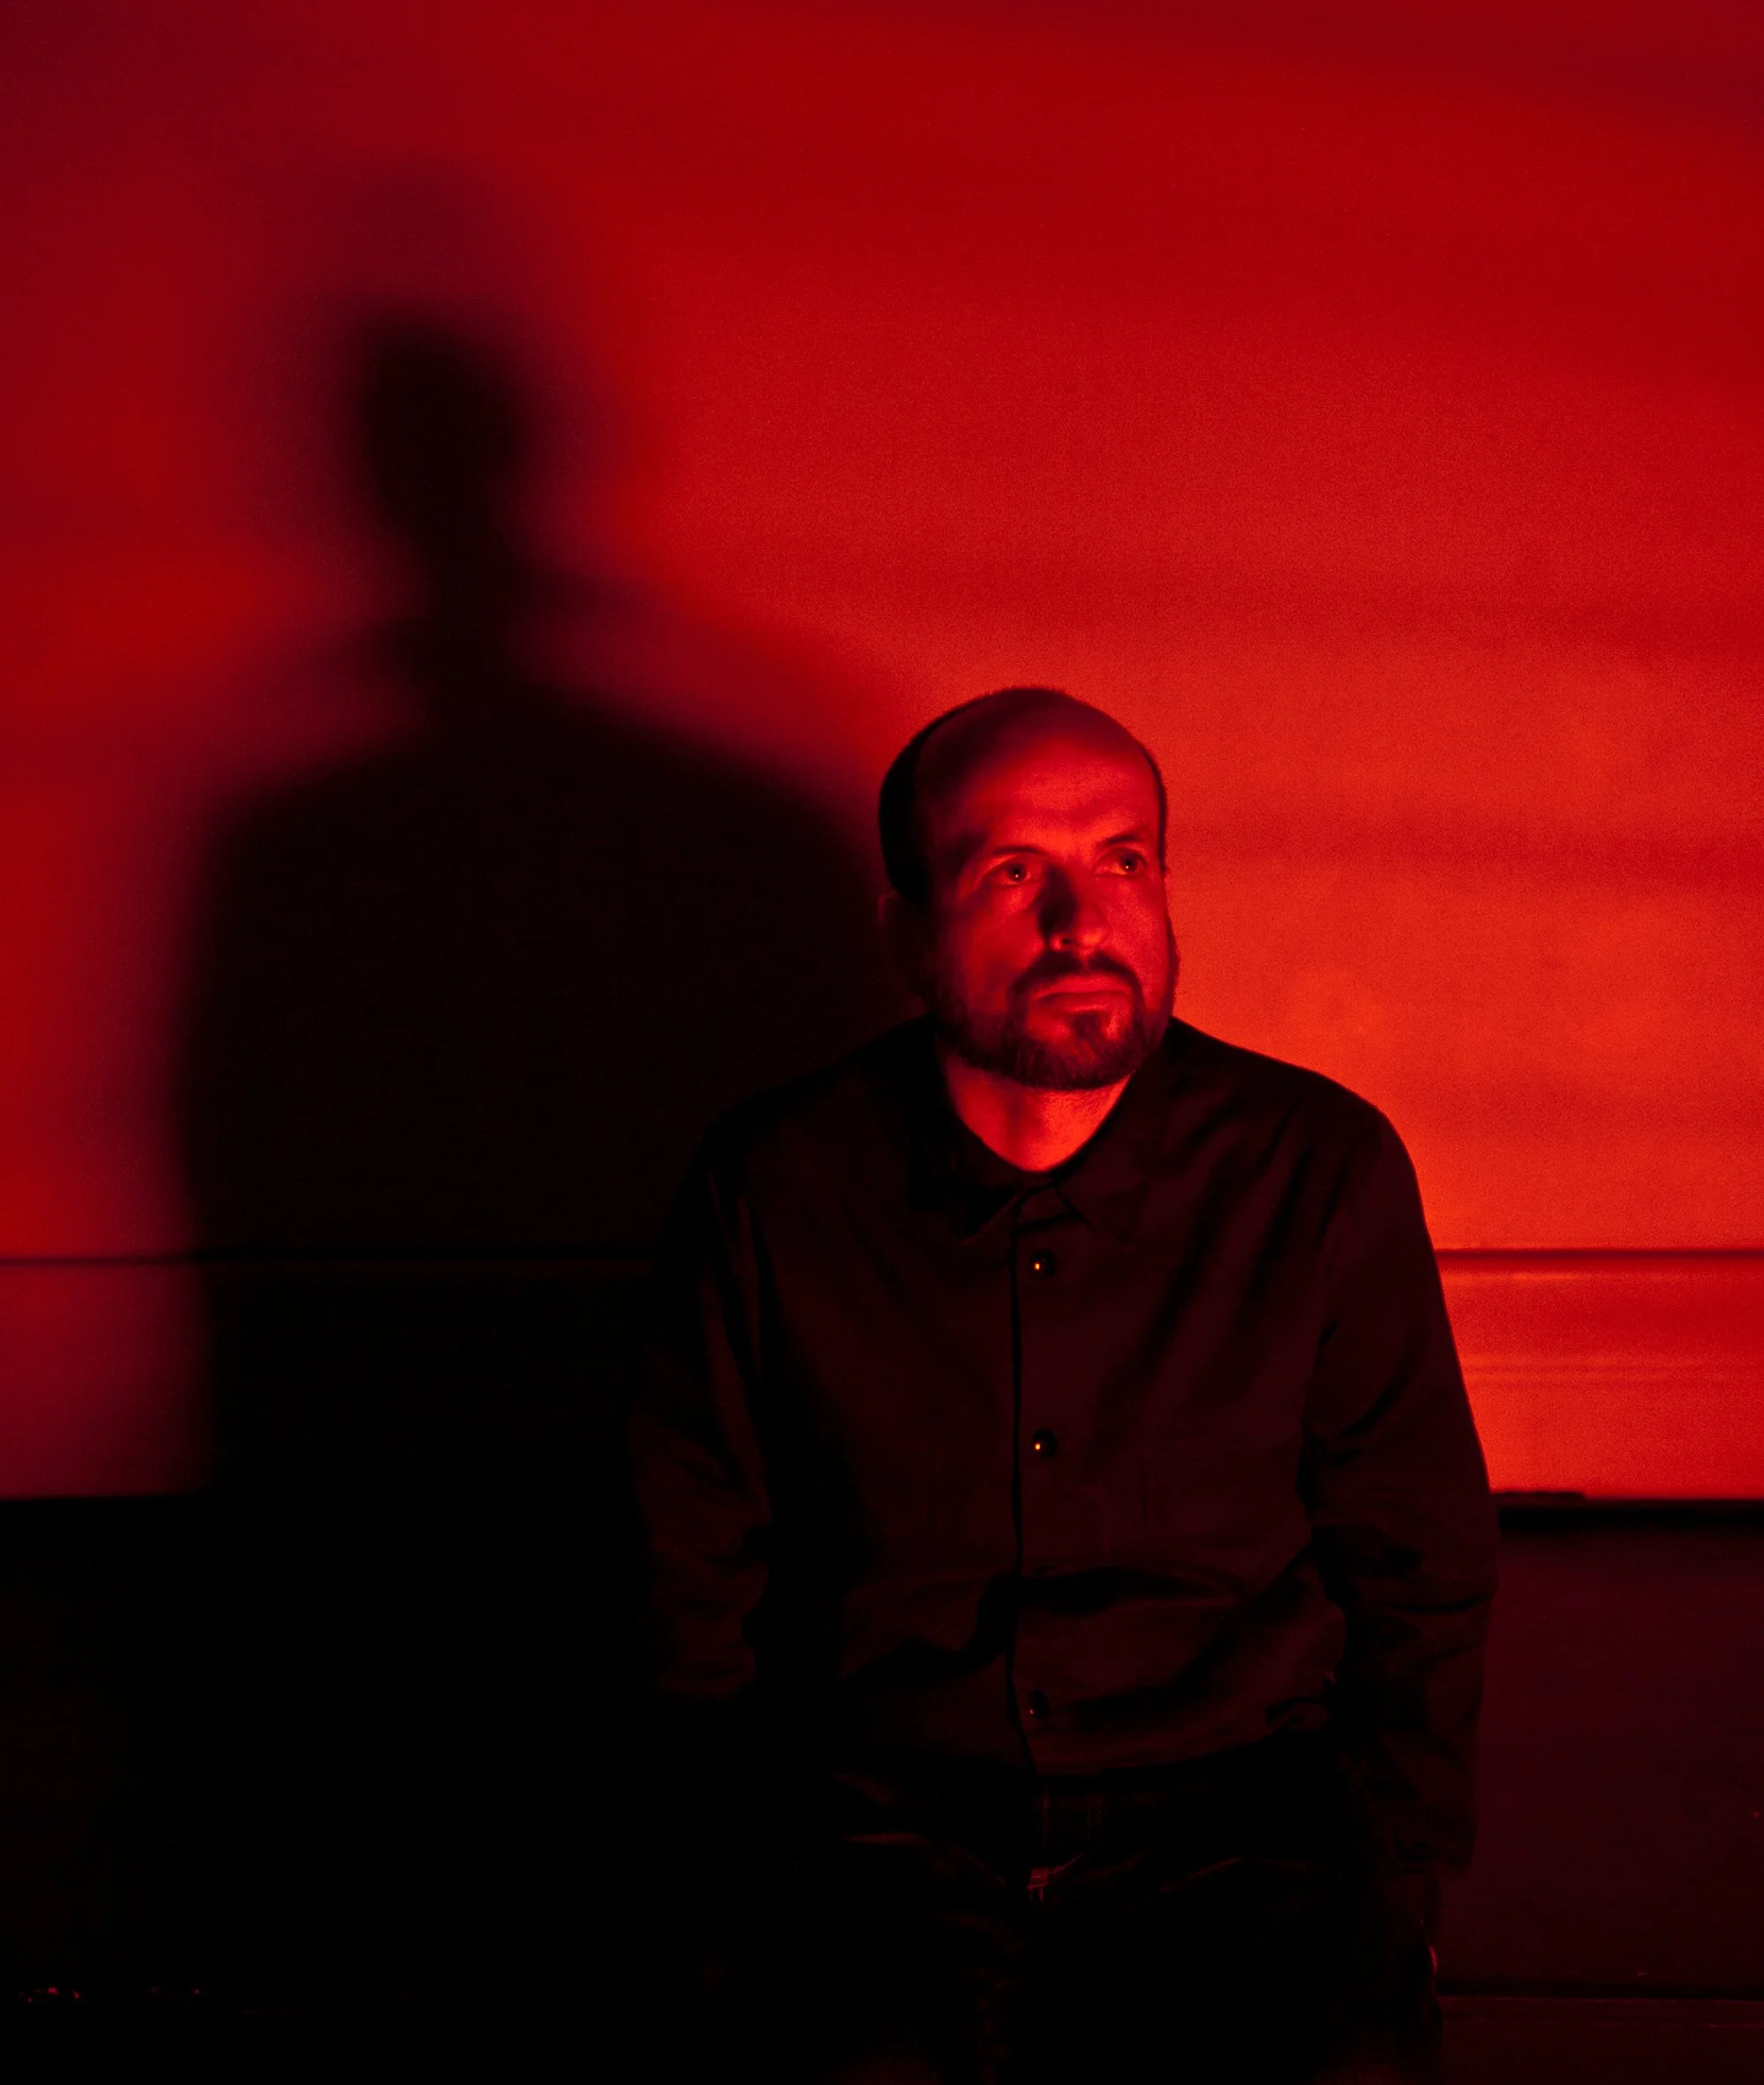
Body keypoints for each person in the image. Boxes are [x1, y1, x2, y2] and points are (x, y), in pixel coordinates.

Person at [627, 687, 1499, 2083]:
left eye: (1123, 860)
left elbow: (1419, 1549)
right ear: (906, 933)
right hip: (879, 1815)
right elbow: (685, 1560)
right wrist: (719, 1882)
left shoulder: (1314, 1166)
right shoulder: (776, 1181)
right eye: (1011, 871)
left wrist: (1392, 1880)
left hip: (1239, 1816)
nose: (1079, 923)